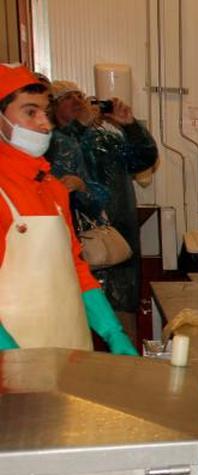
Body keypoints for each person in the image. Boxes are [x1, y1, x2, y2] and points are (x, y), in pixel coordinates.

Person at [0, 64, 136, 355]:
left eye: (45, 112)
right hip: (15, 357)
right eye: (29, 112)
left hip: (70, 350)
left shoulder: (53, 189)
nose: (44, 124)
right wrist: (9, 356)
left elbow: (76, 269)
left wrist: (113, 332)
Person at [47, 80, 158, 340]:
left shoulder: (106, 139)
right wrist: (79, 127)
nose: (77, 101)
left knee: (121, 329)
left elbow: (145, 158)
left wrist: (130, 125)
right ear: (51, 107)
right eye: (67, 97)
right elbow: (60, 161)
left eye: (80, 95)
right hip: (75, 251)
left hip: (118, 246)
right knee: (80, 333)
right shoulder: (49, 144)